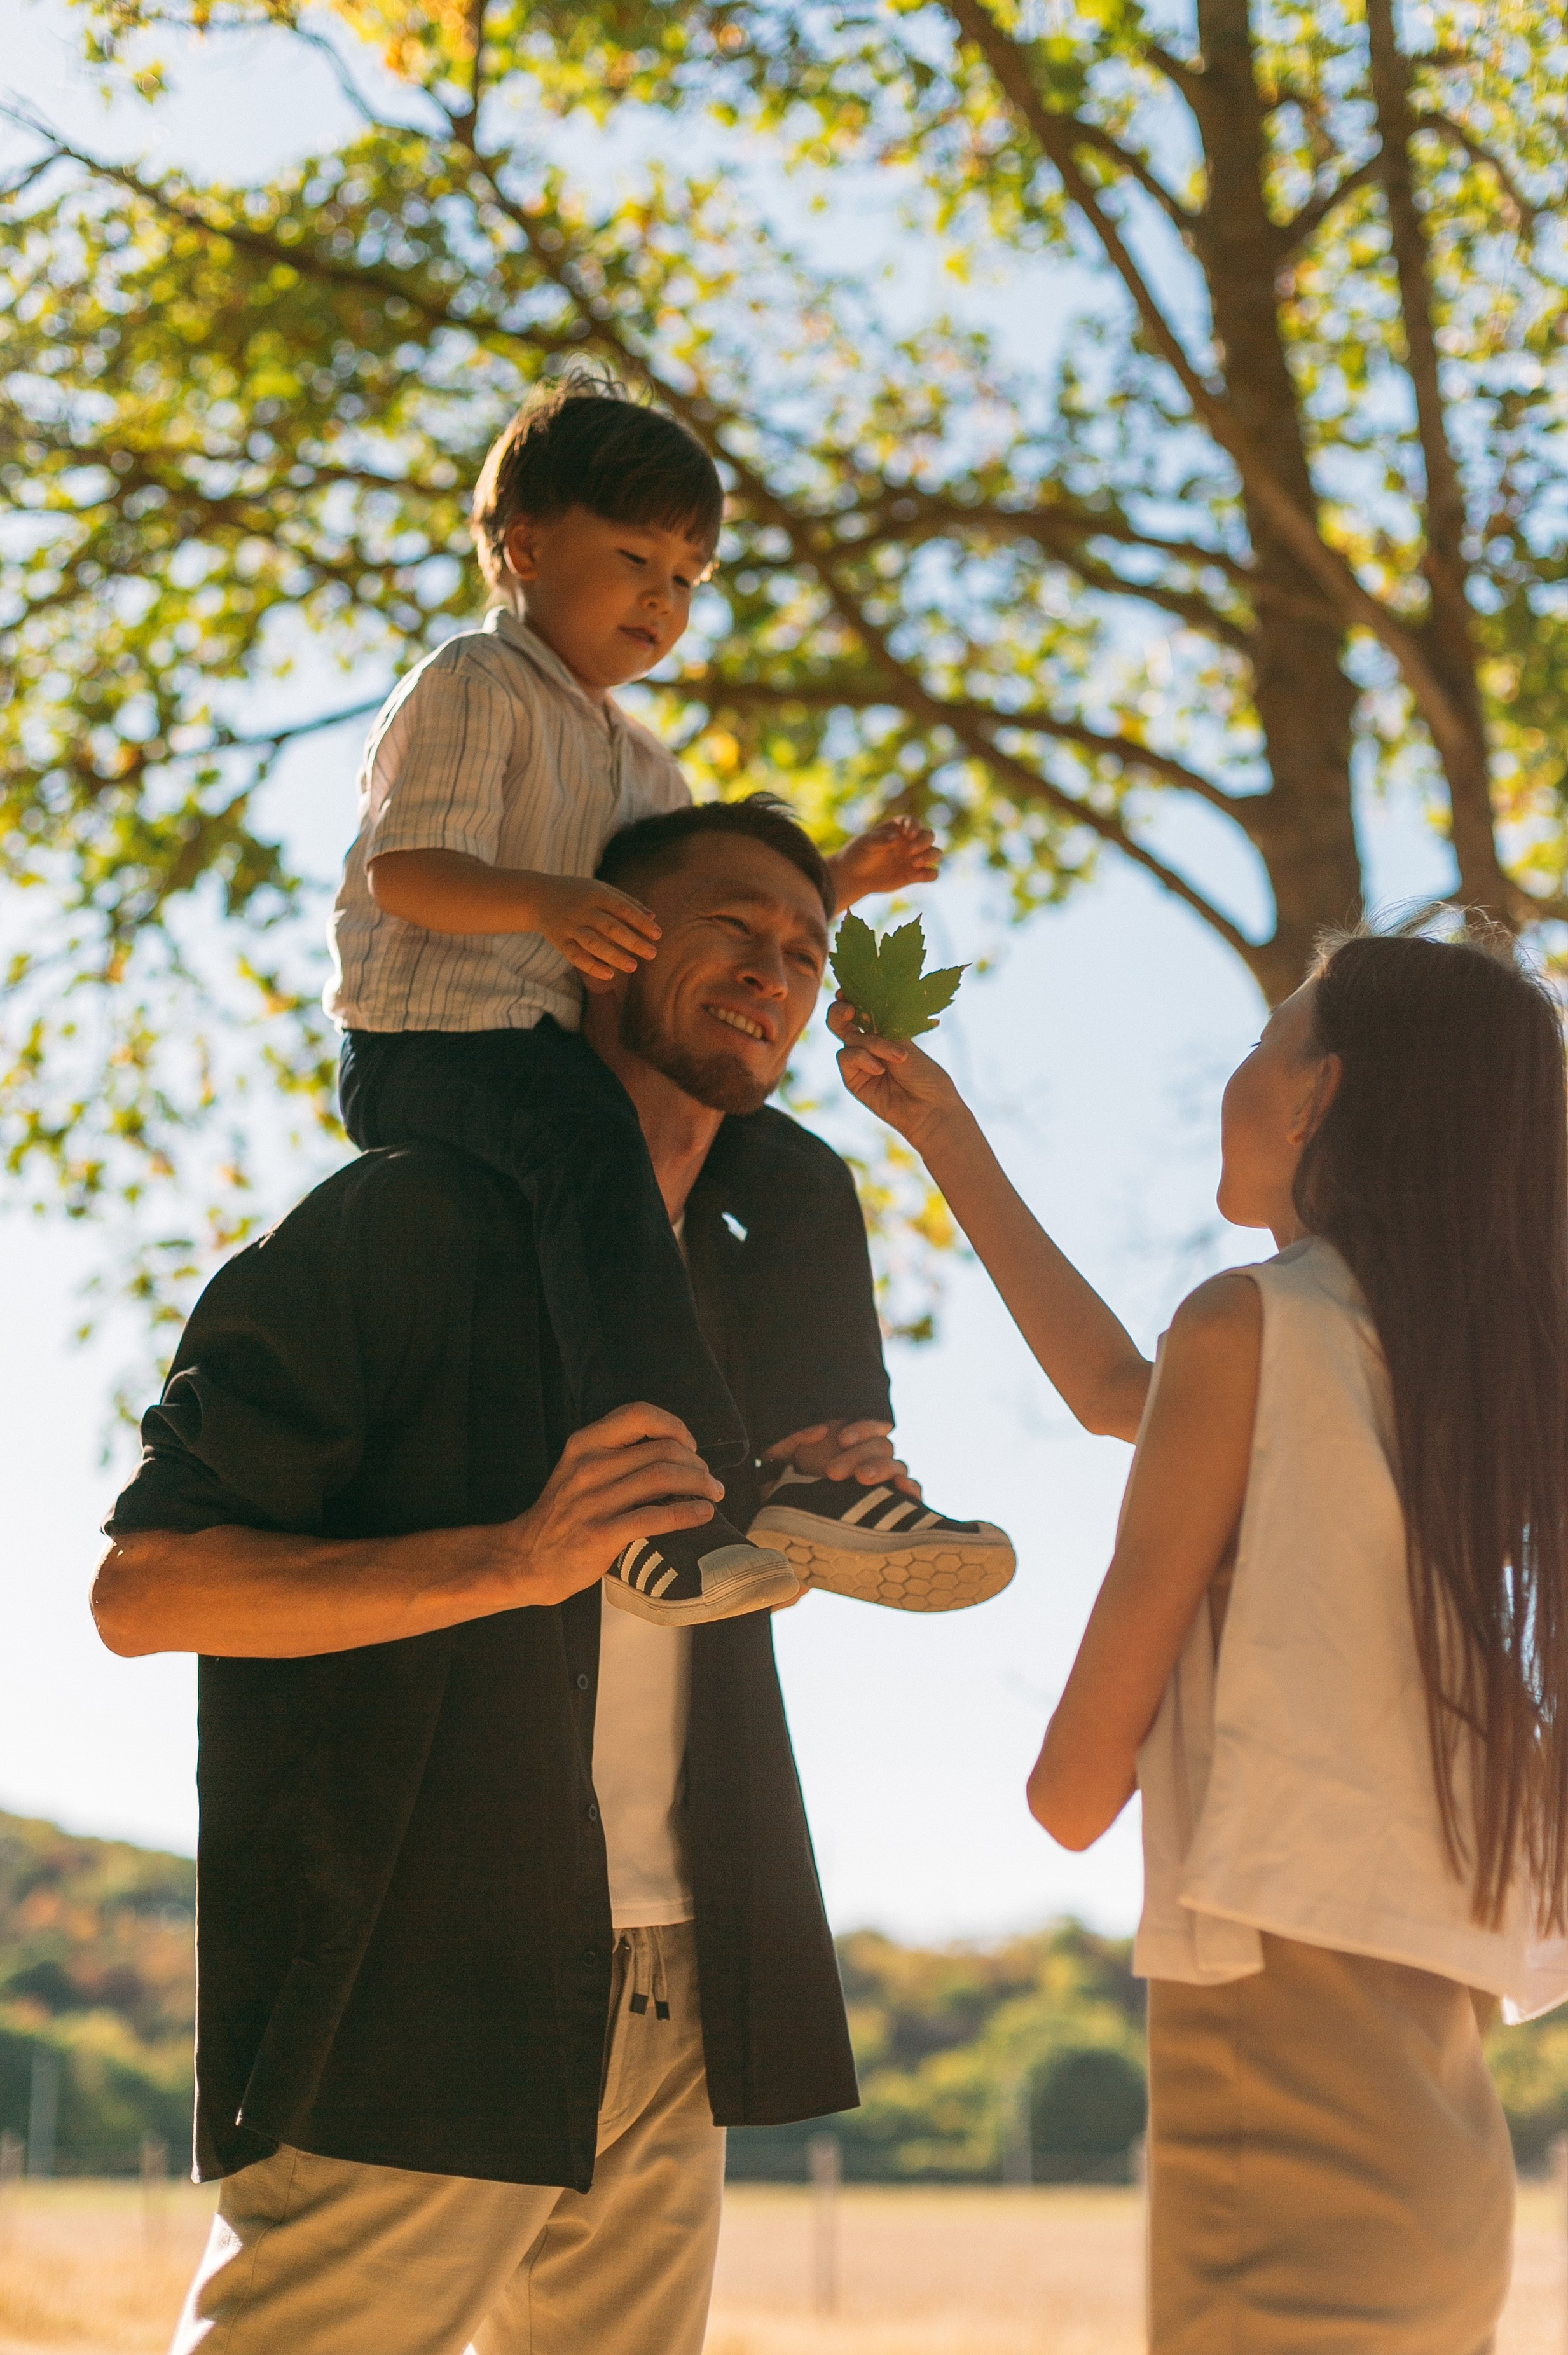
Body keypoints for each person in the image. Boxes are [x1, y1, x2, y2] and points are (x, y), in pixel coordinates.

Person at [95, 799, 1009, 2355]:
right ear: (602, 947)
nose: (775, 971)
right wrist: (518, 1561)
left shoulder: (757, 1265)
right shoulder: (401, 1218)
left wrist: (813, 1493)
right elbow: (148, 1594)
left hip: (680, 1977)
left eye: (805, 949)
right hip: (414, 1977)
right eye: (731, 926)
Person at [831, 919, 1568, 2352]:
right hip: (1441, 2160)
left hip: (1284, 2136)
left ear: (1314, 1098)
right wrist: (947, 1141)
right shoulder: (1464, 1376)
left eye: (1260, 1043)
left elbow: (1070, 1792)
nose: (1239, 1075)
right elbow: (1124, 1390)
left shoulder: (1249, 1329)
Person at [326, 370, 960, 1625]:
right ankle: (657, 1489)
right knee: (593, 1144)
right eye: (634, 560)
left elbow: (701, 909)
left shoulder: (647, 764)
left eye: (686, 577)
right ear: (525, 549)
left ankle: (823, 1460)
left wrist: (835, 885)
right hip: (430, 1043)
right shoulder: (476, 683)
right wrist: (542, 903)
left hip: (556, 1060)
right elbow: (406, 872)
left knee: (798, 1173)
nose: (662, 599)